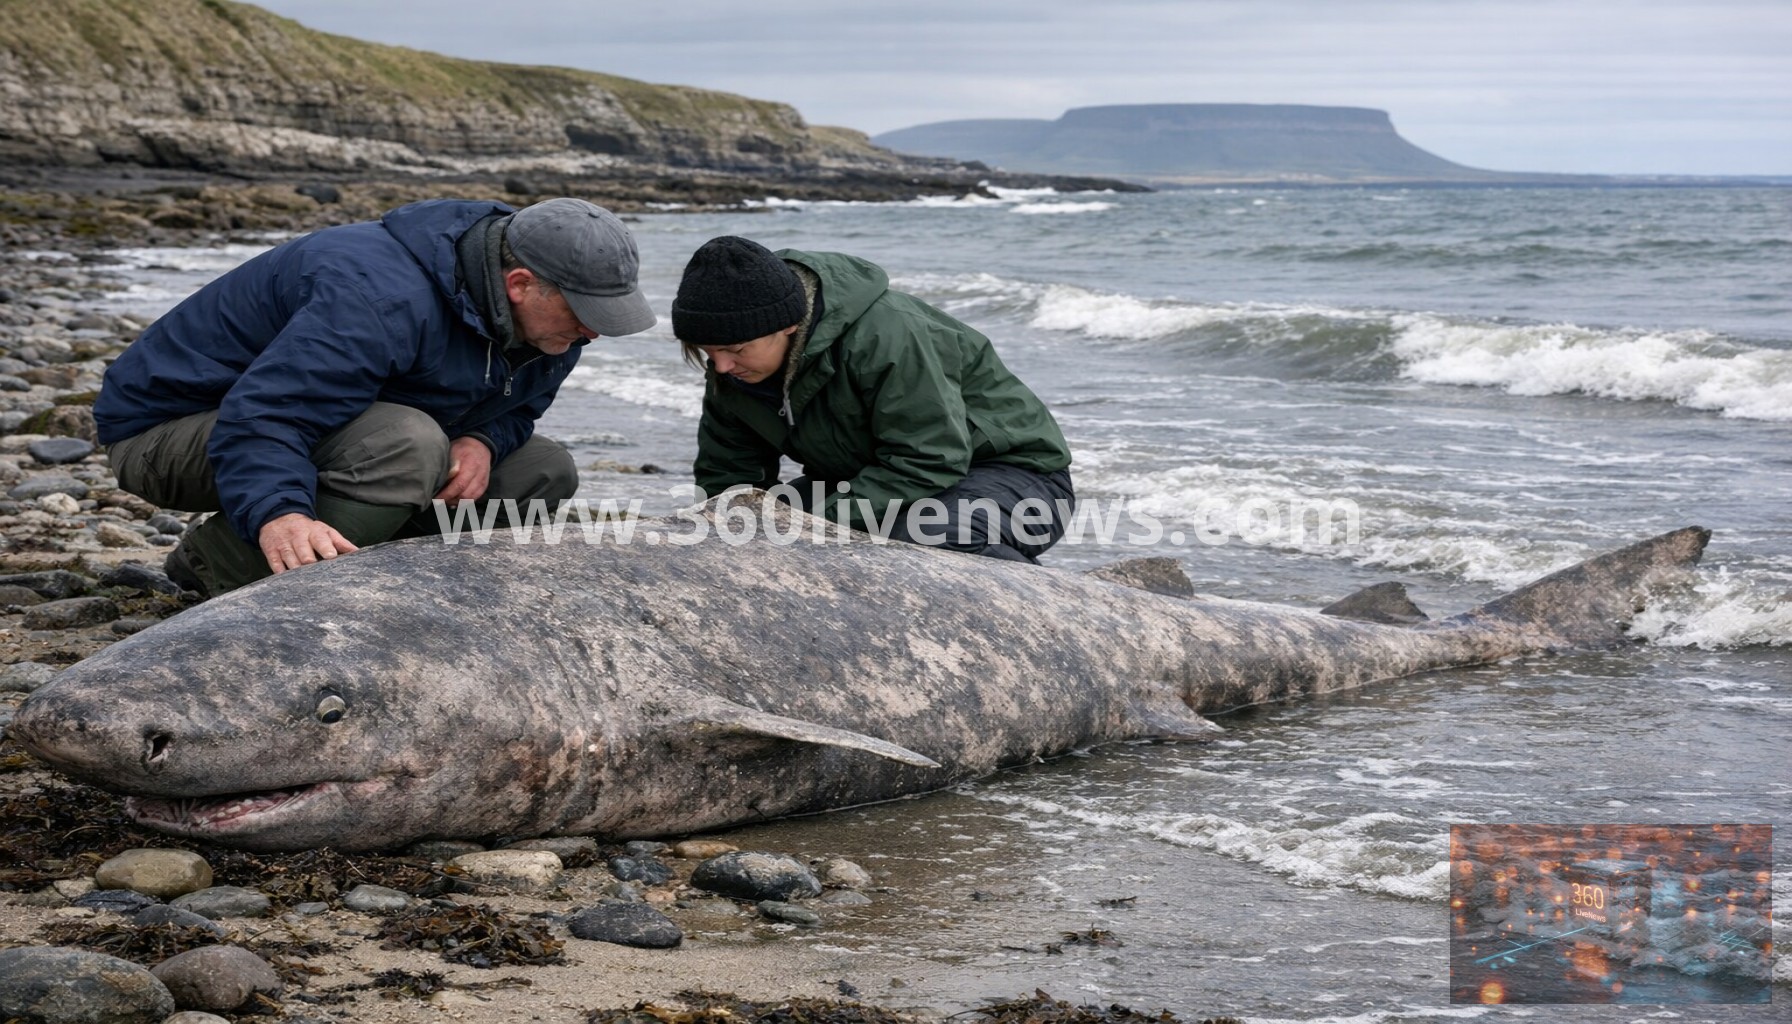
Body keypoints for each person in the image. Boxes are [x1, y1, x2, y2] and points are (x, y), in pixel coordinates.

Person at [95, 196, 656, 597]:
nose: (594, 332)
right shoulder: (376, 299)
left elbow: (519, 408)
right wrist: (279, 513)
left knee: (541, 469)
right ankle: (226, 568)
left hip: (314, 428)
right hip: (169, 431)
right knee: (405, 444)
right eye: (584, 313)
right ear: (521, 284)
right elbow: (267, 416)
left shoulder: (551, 325)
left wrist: (484, 439)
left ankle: (388, 586)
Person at [671, 235, 1074, 563]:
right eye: (708, 351)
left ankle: (1054, 616)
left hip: (1017, 479)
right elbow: (728, 476)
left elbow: (929, 457)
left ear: (788, 326)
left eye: (736, 350)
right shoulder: (737, 366)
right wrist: (732, 535)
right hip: (869, 479)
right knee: (749, 531)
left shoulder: (888, 338)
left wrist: (818, 528)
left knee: (926, 537)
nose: (721, 367)